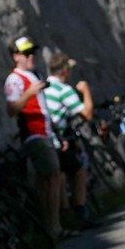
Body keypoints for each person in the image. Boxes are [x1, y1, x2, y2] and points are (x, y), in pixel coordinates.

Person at [3, 35, 67, 242]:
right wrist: (29, 93)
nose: (31, 56)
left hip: (46, 131)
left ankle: (51, 227)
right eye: (26, 53)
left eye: (32, 52)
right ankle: (54, 227)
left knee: (47, 181)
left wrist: (57, 133)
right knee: (53, 175)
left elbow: (44, 107)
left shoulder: (35, 74)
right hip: (33, 134)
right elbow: (11, 109)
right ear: (15, 57)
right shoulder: (15, 79)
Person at [45, 52, 98, 228]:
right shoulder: (64, 90)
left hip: (44, 137)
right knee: (79, 171)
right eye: (70, 69)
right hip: (56, 139)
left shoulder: (45, 86)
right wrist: (86, 91)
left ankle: (64, 217)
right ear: (65, 71)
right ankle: (81, 213)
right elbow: (87, 114)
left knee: (59, 174)